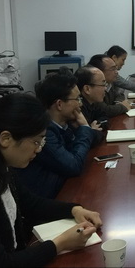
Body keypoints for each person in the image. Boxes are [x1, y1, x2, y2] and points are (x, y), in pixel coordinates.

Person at [0, 93, 103, 267]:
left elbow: (31, 204)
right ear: (6, 139)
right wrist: (59, 244)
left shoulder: (2, 165)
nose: (38, 150)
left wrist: (74, 210)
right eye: (36, 142)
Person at [16, 70, 103, 198]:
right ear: (59, 104)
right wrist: (85, 127)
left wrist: (85, 130)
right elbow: (73, 166)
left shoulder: (67, 123)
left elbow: (95, 139)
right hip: (49, 199)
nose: (80, 103)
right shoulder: (43, 132)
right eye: (77, 99)